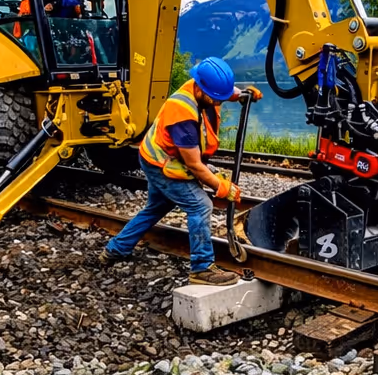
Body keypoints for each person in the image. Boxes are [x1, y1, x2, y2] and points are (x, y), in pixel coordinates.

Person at [101, 57, 262, 285]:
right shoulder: (183, 116)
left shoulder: (200, 86)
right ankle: (202, 268)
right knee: (200, 205)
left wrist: (240, 93)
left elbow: (219, 90)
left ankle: (115, 249)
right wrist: (221, 187)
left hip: (154, 155)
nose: (218, 102)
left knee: (155, 208)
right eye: (216, 98)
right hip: (161, 164)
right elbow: (195, 165)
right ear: (202, 89)